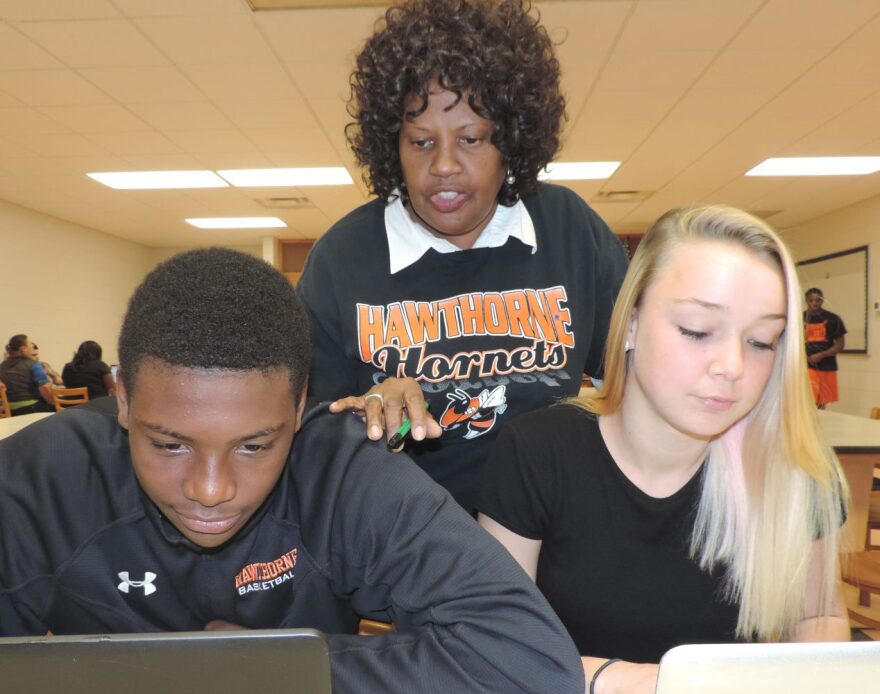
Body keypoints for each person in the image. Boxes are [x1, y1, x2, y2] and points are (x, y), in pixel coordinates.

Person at [0, 248, 584, 694]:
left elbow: (532, 661)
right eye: (170, 445)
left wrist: (270, 667)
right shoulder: (42, 477)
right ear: (123, 399)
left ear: (300, 407)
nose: (210, 490)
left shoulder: (345, 471)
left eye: (255, 446)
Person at [478, 206, 850, 694]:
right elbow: (493, 645)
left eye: (762, 341)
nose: (732, 366)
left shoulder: (795, 473)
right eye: (697, 330)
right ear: (630, 324)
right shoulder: (537, 453)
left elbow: (819, 615)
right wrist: (640, 683)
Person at [298, 0, 628, 511]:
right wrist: (364, 412)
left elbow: (638, 386)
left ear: (512, 141)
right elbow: (308, 438)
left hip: (551, 537)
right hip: (401, 549)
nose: (445, 165)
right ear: (392, 146)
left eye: (471, 139)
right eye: (421, 141)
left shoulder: (568, 230)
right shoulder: (341, 259)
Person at [804, 287, 846, 409]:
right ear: (806, 301)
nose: (814, 303)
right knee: (807, 402)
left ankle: (818, 426)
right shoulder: (798, 318)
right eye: (811, 300)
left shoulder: (834, 319)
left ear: (822, 301)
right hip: (805, 367)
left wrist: (821, 355)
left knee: (821, 404)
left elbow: (840, 345)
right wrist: (804, 356)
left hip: (826, 366)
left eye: (817, 300)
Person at [0, 334, 56, 415]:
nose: (32, 347)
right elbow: (44, 388)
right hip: (32, 408)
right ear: (23, 349)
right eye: (30, 344)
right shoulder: (33, 364)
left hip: (10, 410)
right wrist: (54, 403)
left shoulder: (2, 366)